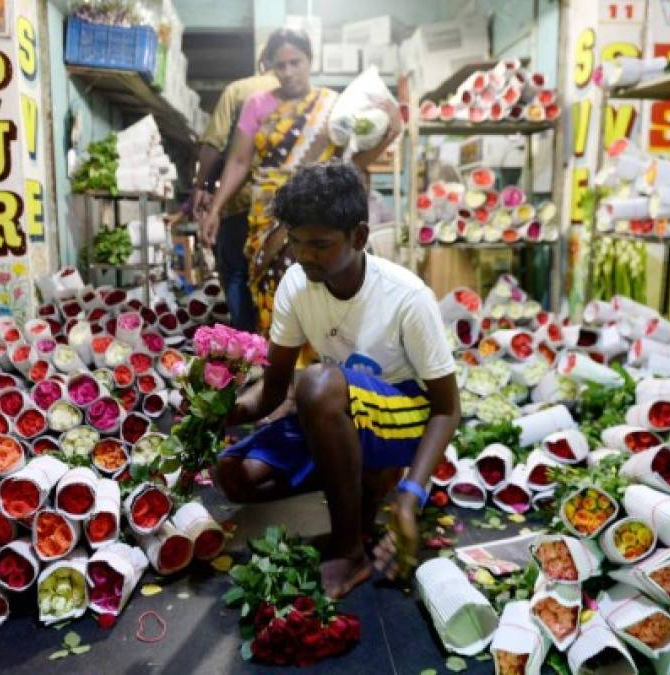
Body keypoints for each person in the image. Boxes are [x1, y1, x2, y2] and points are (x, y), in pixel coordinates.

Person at [214, 161, 460, 599]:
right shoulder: (295, 284)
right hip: (337, 408)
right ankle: (363, 477)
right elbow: (272, 391)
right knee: (236, 476)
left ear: (359, 237)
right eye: (295, 242)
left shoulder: (407, 296)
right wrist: (219, 411)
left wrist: (411, 494)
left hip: (403, 416)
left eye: (320, 245)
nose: (303, 255)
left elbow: (446, 408)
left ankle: (350, 551)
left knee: (316, 384)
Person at [199, 28, 401, 334]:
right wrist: (214, 208)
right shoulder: (256, 104)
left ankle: (320, 369)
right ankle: (279, 368)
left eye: (296, 62)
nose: (288, 72)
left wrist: (390, 133)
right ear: (269, 66)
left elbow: (351, 165)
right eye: (280, 65)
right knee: (273, 293)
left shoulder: (334, 106)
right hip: (269, 215)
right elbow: (239, 161)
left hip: (319, 216)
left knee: (319, 290)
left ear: (310, 60)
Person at [192, 56, 278, 332]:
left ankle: (246, 348)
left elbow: (214, 145)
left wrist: (202, 187)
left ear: (262, 62)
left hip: (241, 206)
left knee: (237, 276)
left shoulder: (239, 90)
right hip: (285, 215)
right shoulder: (307, 97)